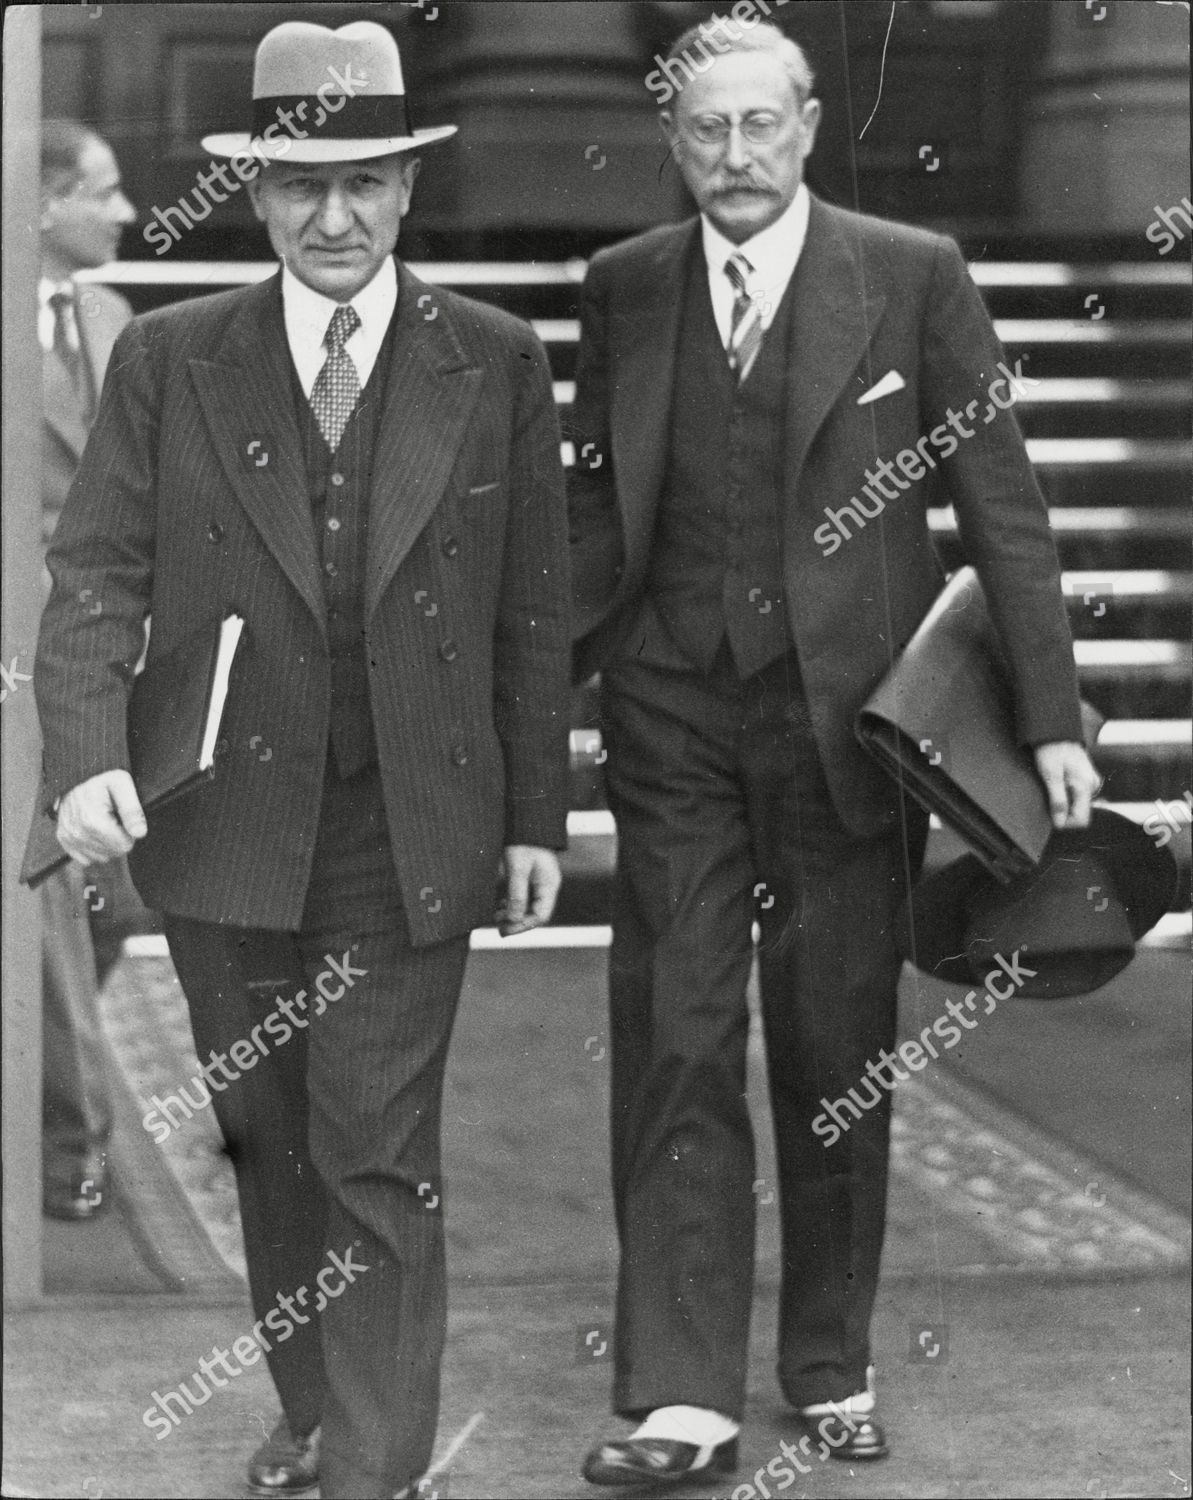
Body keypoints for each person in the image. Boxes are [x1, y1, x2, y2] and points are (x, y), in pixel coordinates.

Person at [34, 22, 570, 1499]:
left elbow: (534, 607)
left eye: (364, 184)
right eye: (299, 187)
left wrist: (537, 809)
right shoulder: (166, 359)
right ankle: (319, 1407)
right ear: (257, 195)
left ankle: (377, 1471)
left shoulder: (496, 362)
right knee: (269, 1147)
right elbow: (91, 579)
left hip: (417, 827)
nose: (333, 220)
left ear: (407, 186)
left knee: (377, 1156)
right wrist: (82, 759)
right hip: (229, 829)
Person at [568, 20, 1099, 1488]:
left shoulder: (911, 273)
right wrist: (532, 695)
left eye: (759, 126)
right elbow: (594, 514)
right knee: (672, 1040)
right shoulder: (622, 289)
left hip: (848, 733)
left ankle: (829, 1364)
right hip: (671, 719)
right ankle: (679, 1395)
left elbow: (1001, 500)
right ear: (670, 141)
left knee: (831, 1049)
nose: (733, 159)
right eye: (702, 132)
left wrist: (1049, 720)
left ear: (806, 124)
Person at [38, 118, 136, 1221]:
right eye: (102, 193)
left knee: (116, 899)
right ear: (40, 204)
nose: (121, 212)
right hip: (12, 665)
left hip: (111, 651)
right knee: (54, 897)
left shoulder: (113, 320)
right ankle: (73, 1150)